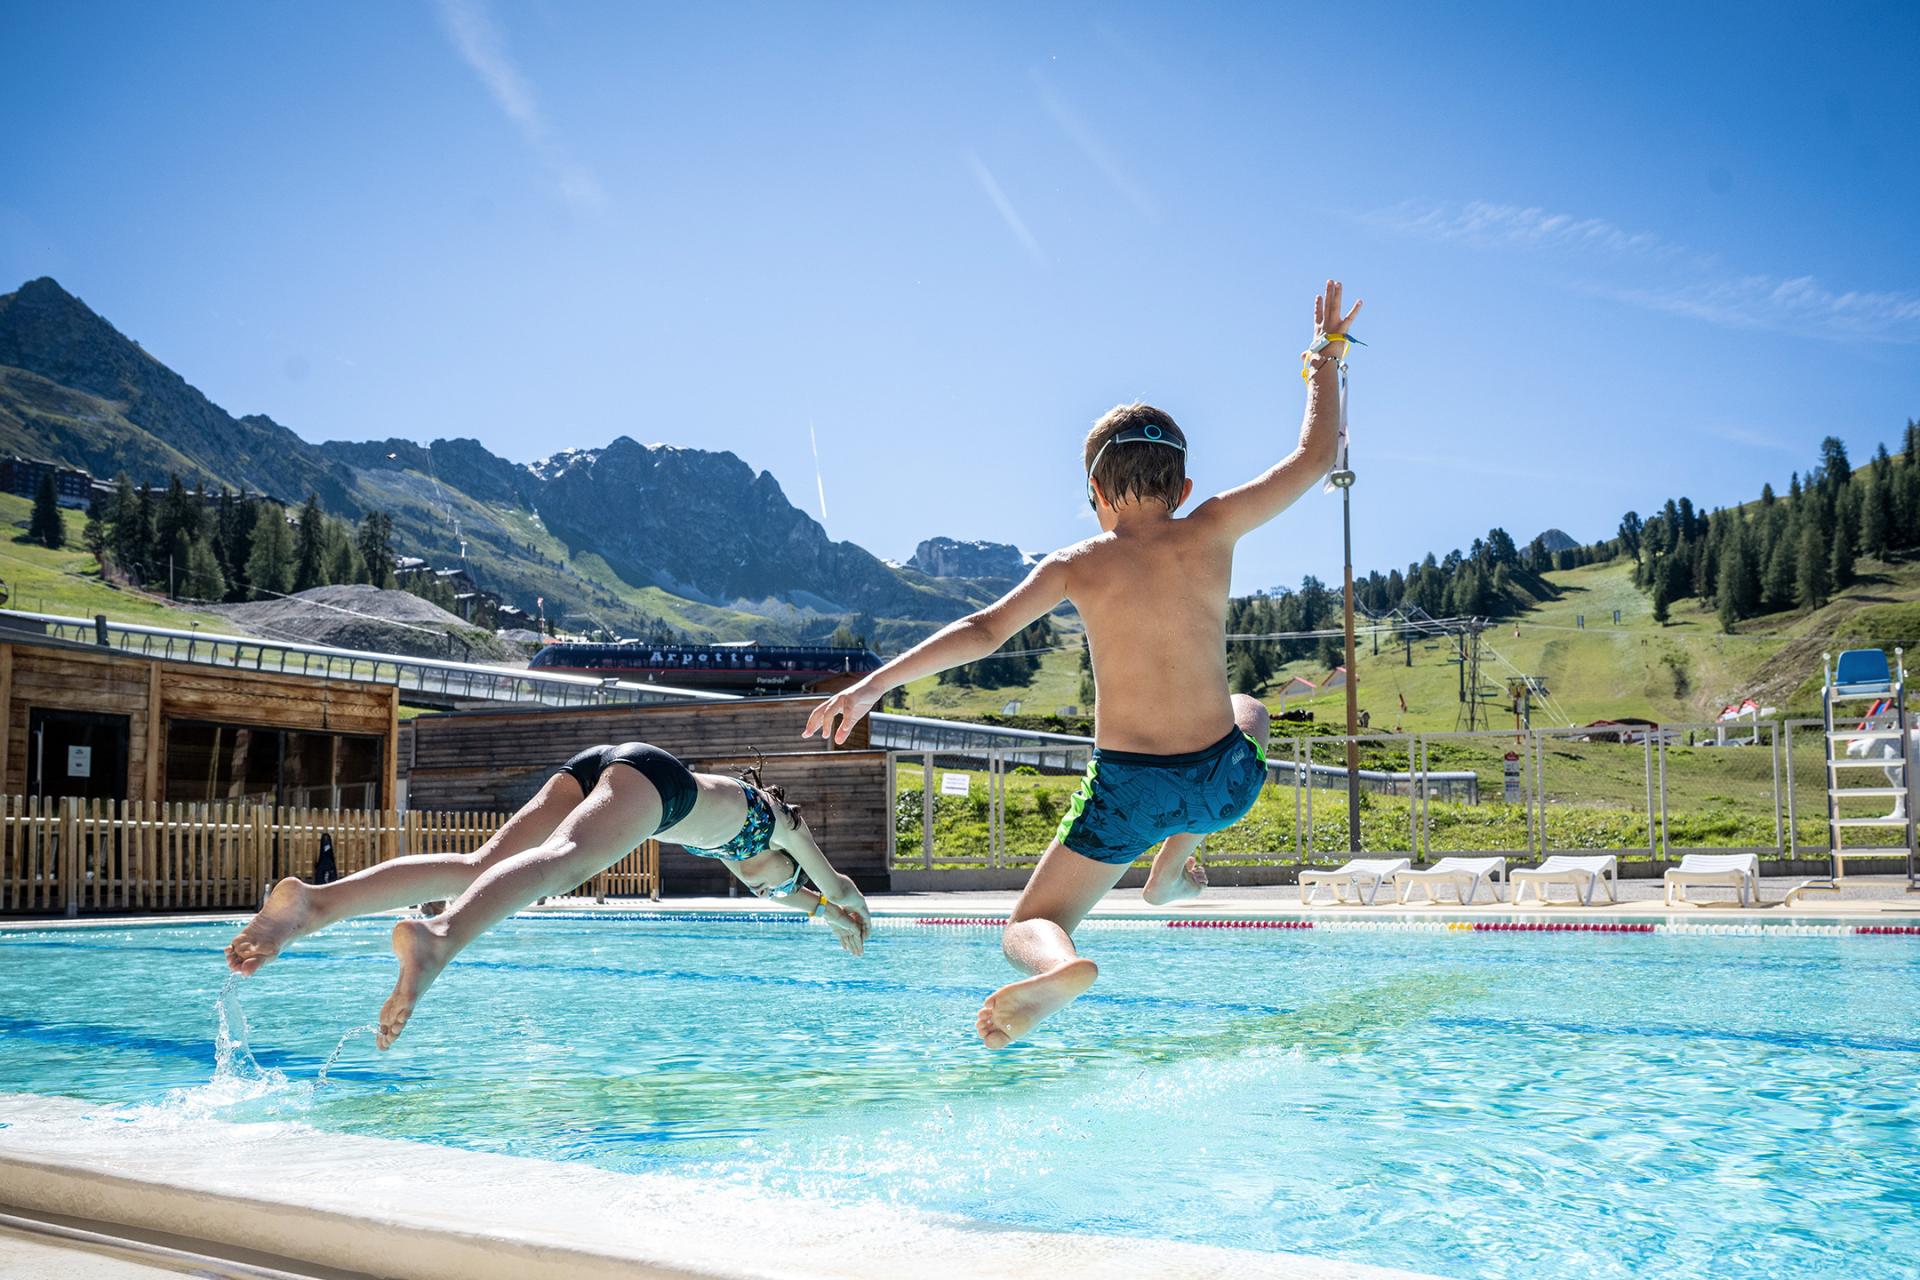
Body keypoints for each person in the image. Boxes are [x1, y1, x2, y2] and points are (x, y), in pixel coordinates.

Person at [806, 279, 1361, 1049]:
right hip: (1223, 785)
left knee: (1030, 919)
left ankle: (1057, 966)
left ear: (1096, 490)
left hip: (1129, 791)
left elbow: (983, 629)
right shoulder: (1214, 527)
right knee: (1251, 710)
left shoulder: (1077, 563)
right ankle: (1171, 872)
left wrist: (873, 684)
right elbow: (1312, 455)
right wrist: (1324, 356)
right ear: (1187, 486)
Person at [225, 744, 873, 1049]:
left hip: (607, 765)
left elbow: (799, 897)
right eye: (786, 880)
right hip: (658, 784)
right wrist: (851, 909)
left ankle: (313, 904)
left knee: (479, 865)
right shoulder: (781, 823)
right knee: (561, 866)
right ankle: (439, 940)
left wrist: (825, 917)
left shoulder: (753, 863)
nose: (783, 885)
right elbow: (834, 882)